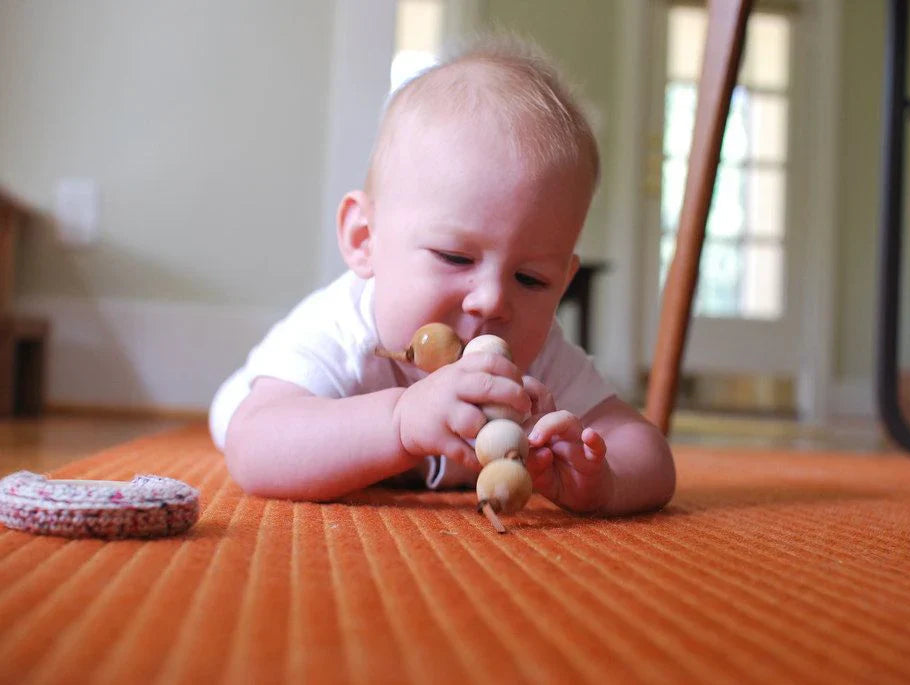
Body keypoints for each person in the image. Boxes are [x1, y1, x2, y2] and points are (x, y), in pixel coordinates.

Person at [209, 37, 675, 515]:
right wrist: (399, 421)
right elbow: (254, 446)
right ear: (364, 238)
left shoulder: (540, 362)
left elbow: (646, 449)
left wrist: (604, 479)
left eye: (531, 279)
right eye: (455, 258)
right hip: (257, 401)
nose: (492, 300)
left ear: (563, 280)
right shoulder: (339, 333)